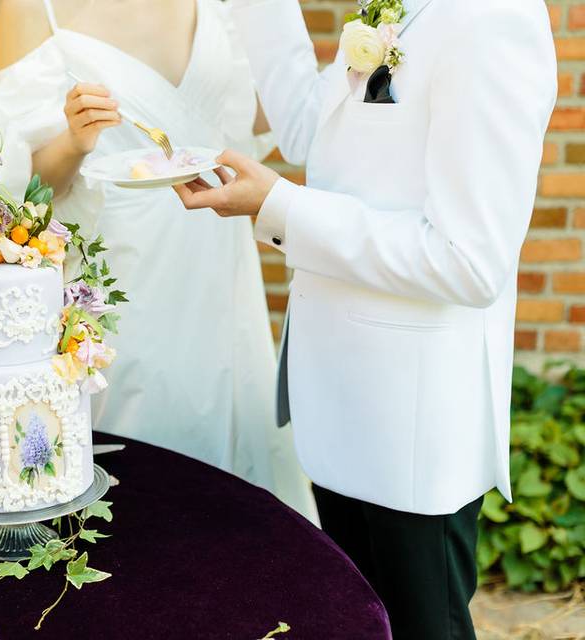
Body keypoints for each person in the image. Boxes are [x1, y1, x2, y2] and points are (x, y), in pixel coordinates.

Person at [172, 0, 557, 637]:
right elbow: (305, 131)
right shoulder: (398, 6)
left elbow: (470, 262)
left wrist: (280, 209)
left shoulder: (494, 19)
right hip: (342, 406)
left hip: (410, 427)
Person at [0, 0, 317, 520]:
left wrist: (349, 78)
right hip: (122, 270)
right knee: (143, 468)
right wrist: (75, 142)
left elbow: (260, 112)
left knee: (237, 477)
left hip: (217, 254)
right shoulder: (35, 8)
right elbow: (17, 195)